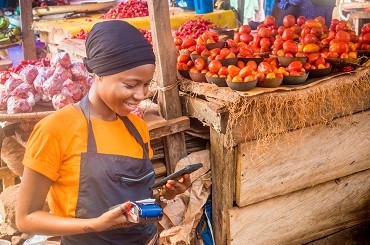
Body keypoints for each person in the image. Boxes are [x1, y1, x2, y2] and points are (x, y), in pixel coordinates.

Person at [16, 20, 191, 245]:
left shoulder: (137, 128)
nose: (141, 94)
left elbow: (134, 201)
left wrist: (166, 195)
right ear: (99, 74)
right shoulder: (54, 130)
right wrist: (96, 225)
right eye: (130, 85)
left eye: (146, 84)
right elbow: (26, 218)